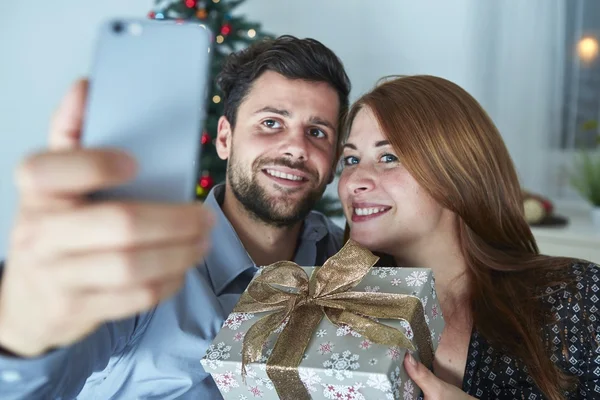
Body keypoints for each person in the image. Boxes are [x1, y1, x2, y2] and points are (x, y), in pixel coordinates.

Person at [0, 35, 350, 399]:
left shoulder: (347, 261)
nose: (297, 147)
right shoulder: (138, 264)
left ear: (333, 162)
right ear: (225, 139)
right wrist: (19, 334)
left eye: (316, 132)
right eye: (271, 123)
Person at [338, 75, 600, 400]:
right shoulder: (332, 314)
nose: (353, 182)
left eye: (389, 157)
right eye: (350, 160)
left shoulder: (579, 296)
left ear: (455, 172)